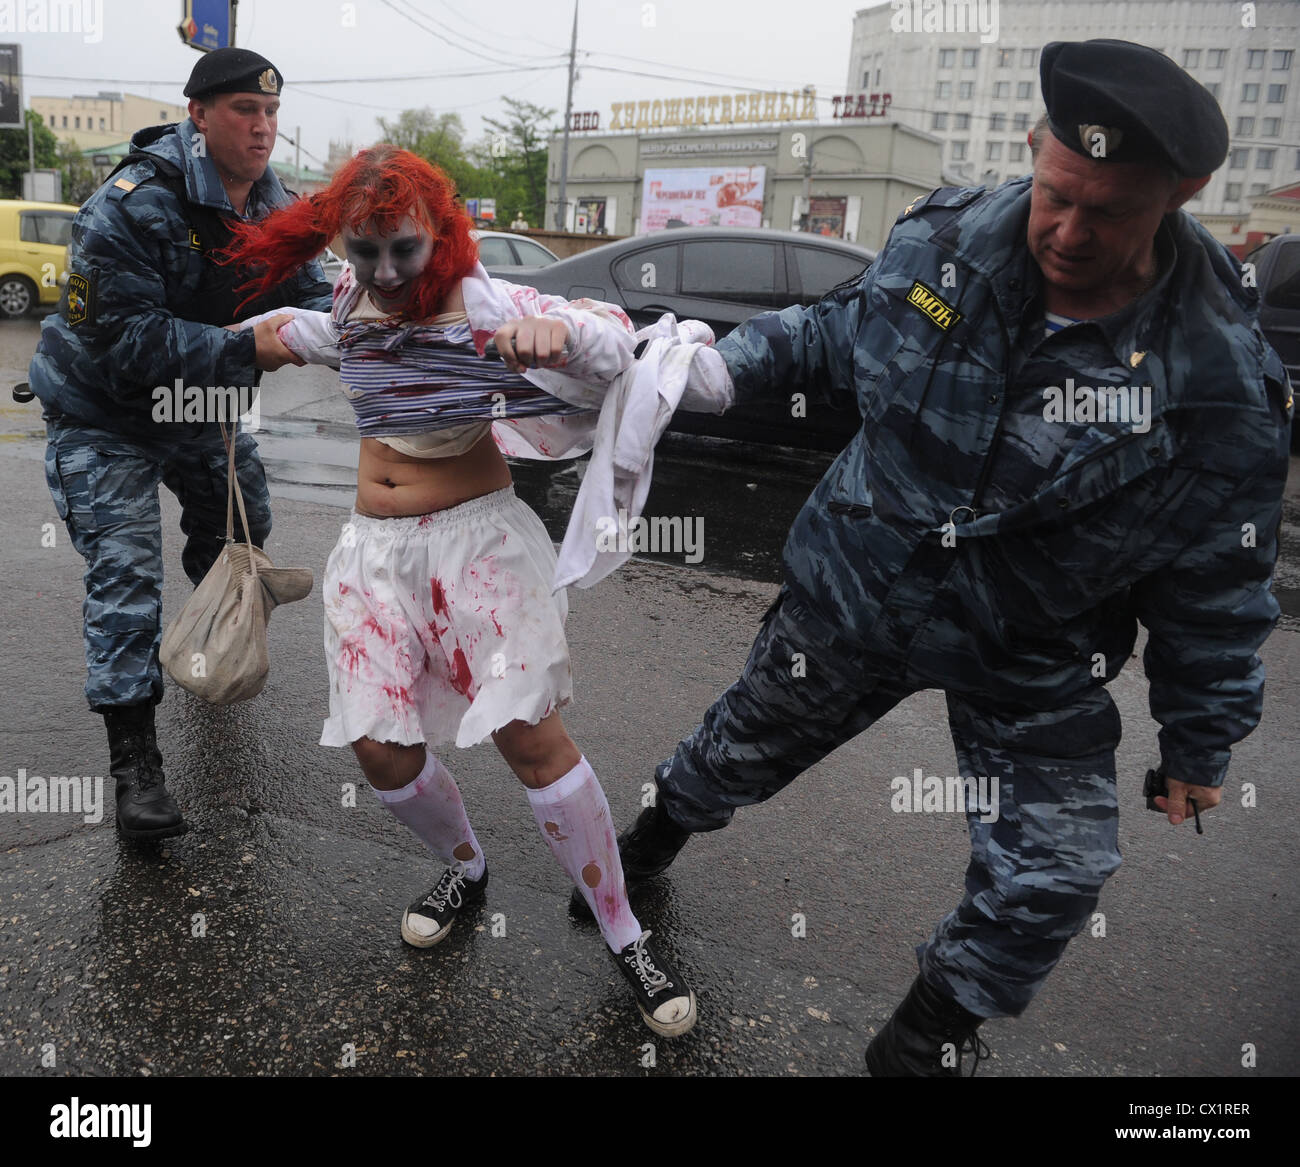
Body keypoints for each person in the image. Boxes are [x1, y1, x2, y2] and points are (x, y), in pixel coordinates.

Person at [594, 39, 1292, 1073]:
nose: (1065, 229)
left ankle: (924, 1037)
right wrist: (710, 370)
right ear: (1034, 144)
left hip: (1030, 646)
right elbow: (837, 331)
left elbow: (1217, 589)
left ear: (1183, 192)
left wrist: (1197, 748)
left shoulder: (1218, 384)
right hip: (853, 591)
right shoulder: (948, 239)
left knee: (1055, 872)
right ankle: (638, 855)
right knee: (730, 754)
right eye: (1058, 192)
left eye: (1107, 212)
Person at [222, 144, 697, 1038]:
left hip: (477, 548)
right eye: (365, 251)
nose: (387, 271)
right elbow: (297, 331)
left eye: (403, 247)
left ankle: (625, 933)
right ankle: (466, 865)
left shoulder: (485, 300)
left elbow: (608, 341)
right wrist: (226, 346)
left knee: (531, 741)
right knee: (379, 751)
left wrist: (564, 336)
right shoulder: (348, 301)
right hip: (372, 554)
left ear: (439, 230)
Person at [28, 48, 332, 840]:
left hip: (203, 411)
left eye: (270, 113)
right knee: (127, 575)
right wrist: (250, 348)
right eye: (243, 111)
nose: (262, 127)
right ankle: (137, 770)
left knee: (242, 537)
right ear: (199, 115)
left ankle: (212, 643)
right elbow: (125, 342)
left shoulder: (278, 208)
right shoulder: (130, 204)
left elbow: (320, 297)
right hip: (107, 415)